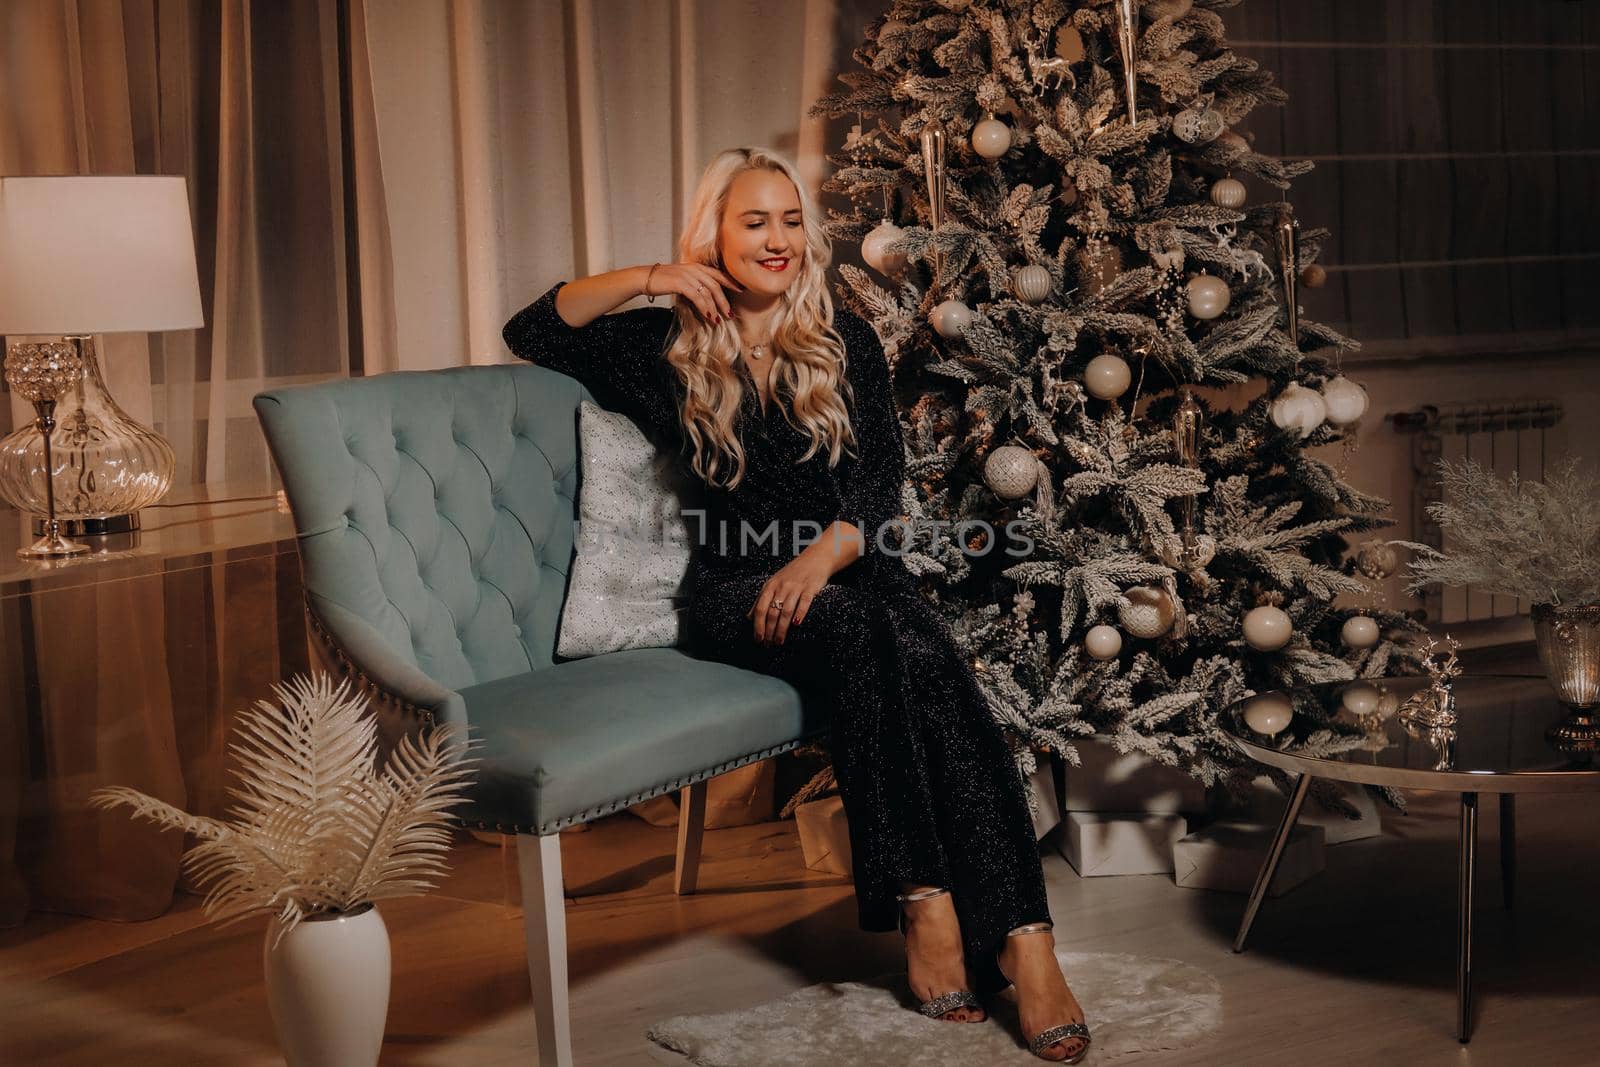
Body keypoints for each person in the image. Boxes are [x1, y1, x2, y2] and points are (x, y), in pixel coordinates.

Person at [502, 147, 1090, 1062]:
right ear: (714, 234)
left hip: (845, 568)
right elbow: (536, 327)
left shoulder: (842, 338)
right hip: (735, 591)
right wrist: (659, 277)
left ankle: (1025, 937)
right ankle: (928, 907)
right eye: (752, 221)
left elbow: (880, 483)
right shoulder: (666, 345)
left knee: (933, 661)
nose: (776, 240)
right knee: (866, 632)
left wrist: (820, 560)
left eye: (787, 221)